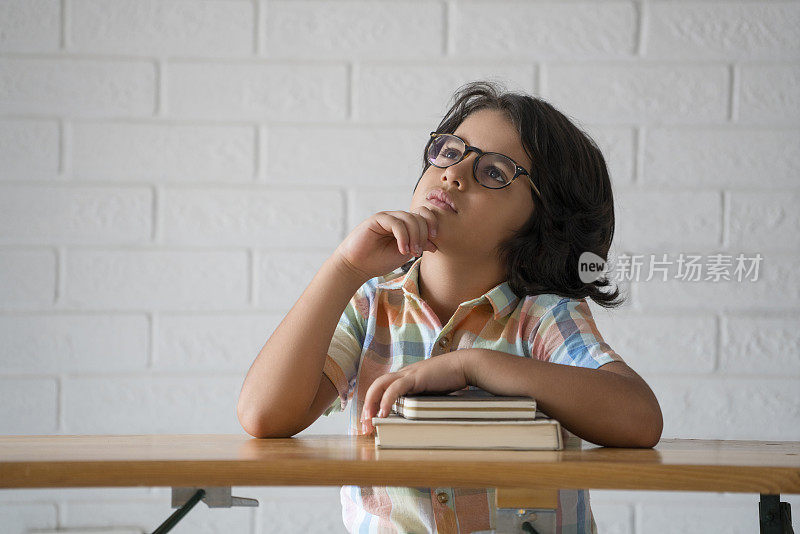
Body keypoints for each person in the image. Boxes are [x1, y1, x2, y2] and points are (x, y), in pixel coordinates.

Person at [237, 80, 663, 534]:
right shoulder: (372, 302)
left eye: (495, 172)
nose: (453, 174)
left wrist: (474, 366)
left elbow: (638, 419)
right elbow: (264, 416)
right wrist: (344, 267)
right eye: (451, 151)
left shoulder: (543, 317)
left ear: (543, 221)